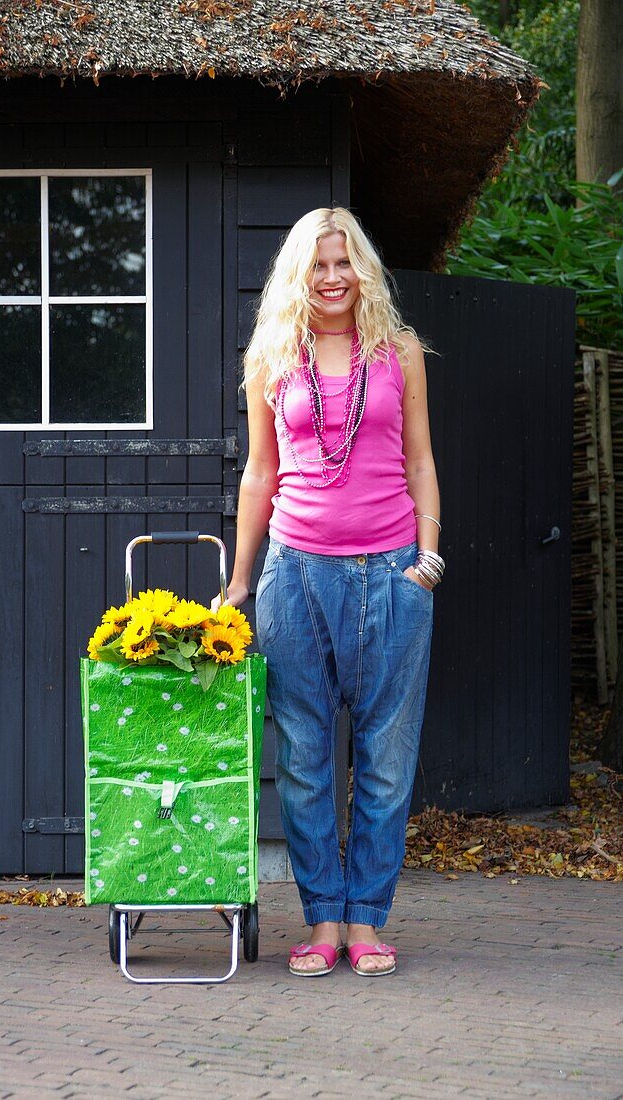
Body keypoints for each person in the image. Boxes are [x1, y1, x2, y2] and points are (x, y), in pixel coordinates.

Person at [215, 207, 442, 977]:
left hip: (392, 571)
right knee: (307, 757)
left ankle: (367, 920)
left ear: (364, 269)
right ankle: (321, 921)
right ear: (297, 272)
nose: (334, 277)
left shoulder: (399, 352)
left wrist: (429, 560)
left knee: (384, 756)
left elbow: (419, 460)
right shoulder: (272, 356)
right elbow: (259, 473)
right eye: (319, 264)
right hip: (296, 576)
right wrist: (241, 581)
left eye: (346, 263)